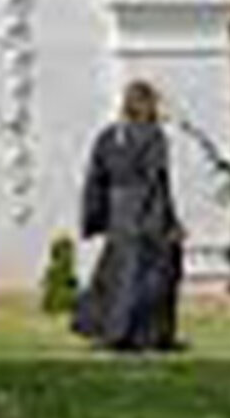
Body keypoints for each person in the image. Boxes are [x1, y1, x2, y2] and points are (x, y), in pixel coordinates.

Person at [72, 81, 186, 352]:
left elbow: (94, 180)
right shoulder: (153, 136)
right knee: (152, 276)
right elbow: (158, 182)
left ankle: (111, 331)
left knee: (118, 274)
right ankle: (144, 336)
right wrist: (171, 222)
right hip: (147, 210)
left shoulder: (109, 136)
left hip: (118, 212)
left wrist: (94, 217)